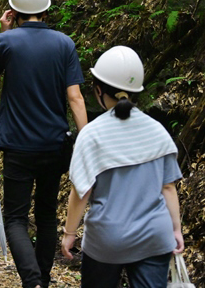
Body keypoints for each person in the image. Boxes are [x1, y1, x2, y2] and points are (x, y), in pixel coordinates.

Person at [0, 0, 87, 288]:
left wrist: (5, 34)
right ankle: (42, 277)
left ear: (12, 11)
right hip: (54, 144)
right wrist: (86, 141)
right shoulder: (64, 43)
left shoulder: (3, 43)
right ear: (46, 10)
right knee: (45, 215)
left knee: (16, 217)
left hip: (17, 145)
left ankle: (32, 282)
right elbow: (75, 97)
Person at [61, 46, 183, 288]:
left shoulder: (92, 135)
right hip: (154, 237)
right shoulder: (157, 131)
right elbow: (168, 187)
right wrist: (176, 230)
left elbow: (81, 192)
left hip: (107, 240)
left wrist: (69, 233)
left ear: (98, 90)